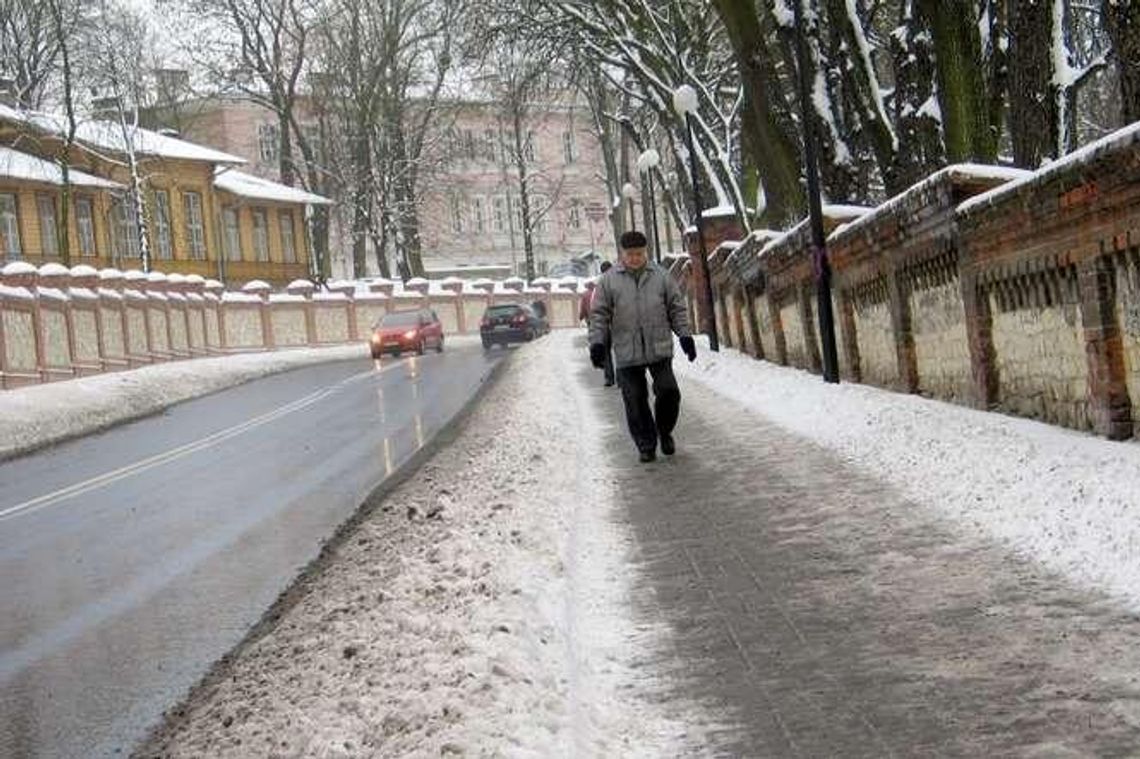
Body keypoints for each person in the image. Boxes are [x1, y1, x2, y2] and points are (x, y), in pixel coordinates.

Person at [589, 230, 696, 462]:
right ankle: (646, 445)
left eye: (639, 253)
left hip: (659, 346)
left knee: (669, 392)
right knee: (635, 400)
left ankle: (664, 431)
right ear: (622, 254)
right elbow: (598, 315)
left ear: (645, 252)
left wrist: (685, 336)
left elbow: (676, 308)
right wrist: (597, 343)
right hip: (626, 350)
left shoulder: (661, 276)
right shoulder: (608, 281)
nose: (635, 258)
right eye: (630, 254)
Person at [589, 261, 615, 386]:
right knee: (621, 351)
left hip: (605, 324)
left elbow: (594, 306)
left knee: (606, 352)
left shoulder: (599, 285)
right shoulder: (619, 281)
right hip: (618, 323)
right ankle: (622, 379)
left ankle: (609, 378)